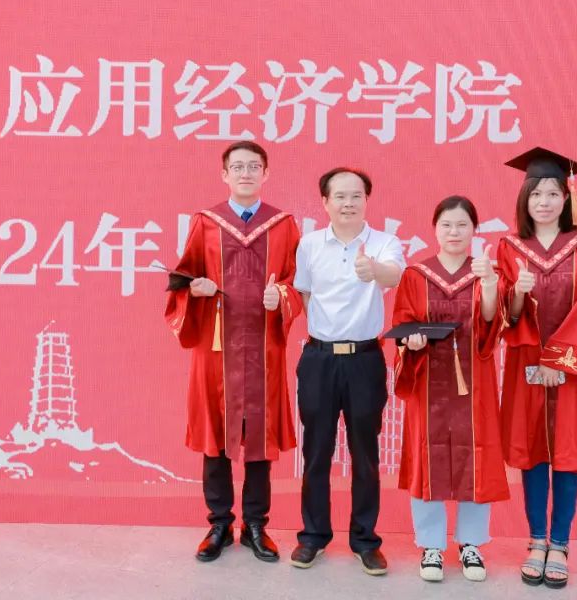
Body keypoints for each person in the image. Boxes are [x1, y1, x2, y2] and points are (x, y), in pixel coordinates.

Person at [165, 141, 304, 563]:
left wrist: (281, 296)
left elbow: (299, 283)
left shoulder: (283, 226)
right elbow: (181, 280)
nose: (246, 173)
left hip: (263, 349)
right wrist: (196, 288)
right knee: (215, 434)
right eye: (237, 167)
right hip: (216, 348)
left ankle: (256, 524)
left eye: (253, 166)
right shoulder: (206, 223)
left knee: (260, 437)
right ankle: (220, 524)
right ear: (224, 174)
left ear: (266, 173)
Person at [496, 147, 577, 589]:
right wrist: (518, 294)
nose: (543, 202)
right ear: (524, 199)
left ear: (566, 198)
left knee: (567, 452)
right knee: (531, 449)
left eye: (552, 193)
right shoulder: (509, 247)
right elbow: (503, 314)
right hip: (526, 362)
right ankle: (536, 541)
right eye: (535, 194)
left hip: (572, 366)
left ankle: (560, 544)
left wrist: (557, 360)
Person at [289, 168, 405, 576]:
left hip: (364, 359)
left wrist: (374, 271)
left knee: (365, 454)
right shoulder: (309, 244)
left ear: (367, 200)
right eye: (339, 196)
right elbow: (304, 293)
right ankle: (313, 536)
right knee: (316, 452)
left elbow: (395, 274)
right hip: (319, 359)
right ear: (325, 202)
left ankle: (365, 540)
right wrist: (325, 332)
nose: (348, 203)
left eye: (356, 196)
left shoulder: (384, 242)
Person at [391, 195, 509, 583]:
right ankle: (431, 545)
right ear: (434, 229)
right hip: (429, 381)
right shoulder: (416, 275)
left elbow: (492, 323)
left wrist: (489, 283)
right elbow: (403, 325)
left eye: (462, 225)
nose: (454, 232)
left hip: (474, 382)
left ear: (474, 230)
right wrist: (410, 344)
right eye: (446, 225)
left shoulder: (486, 272)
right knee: (428, 456)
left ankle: (471, 543)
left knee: (477, 455)